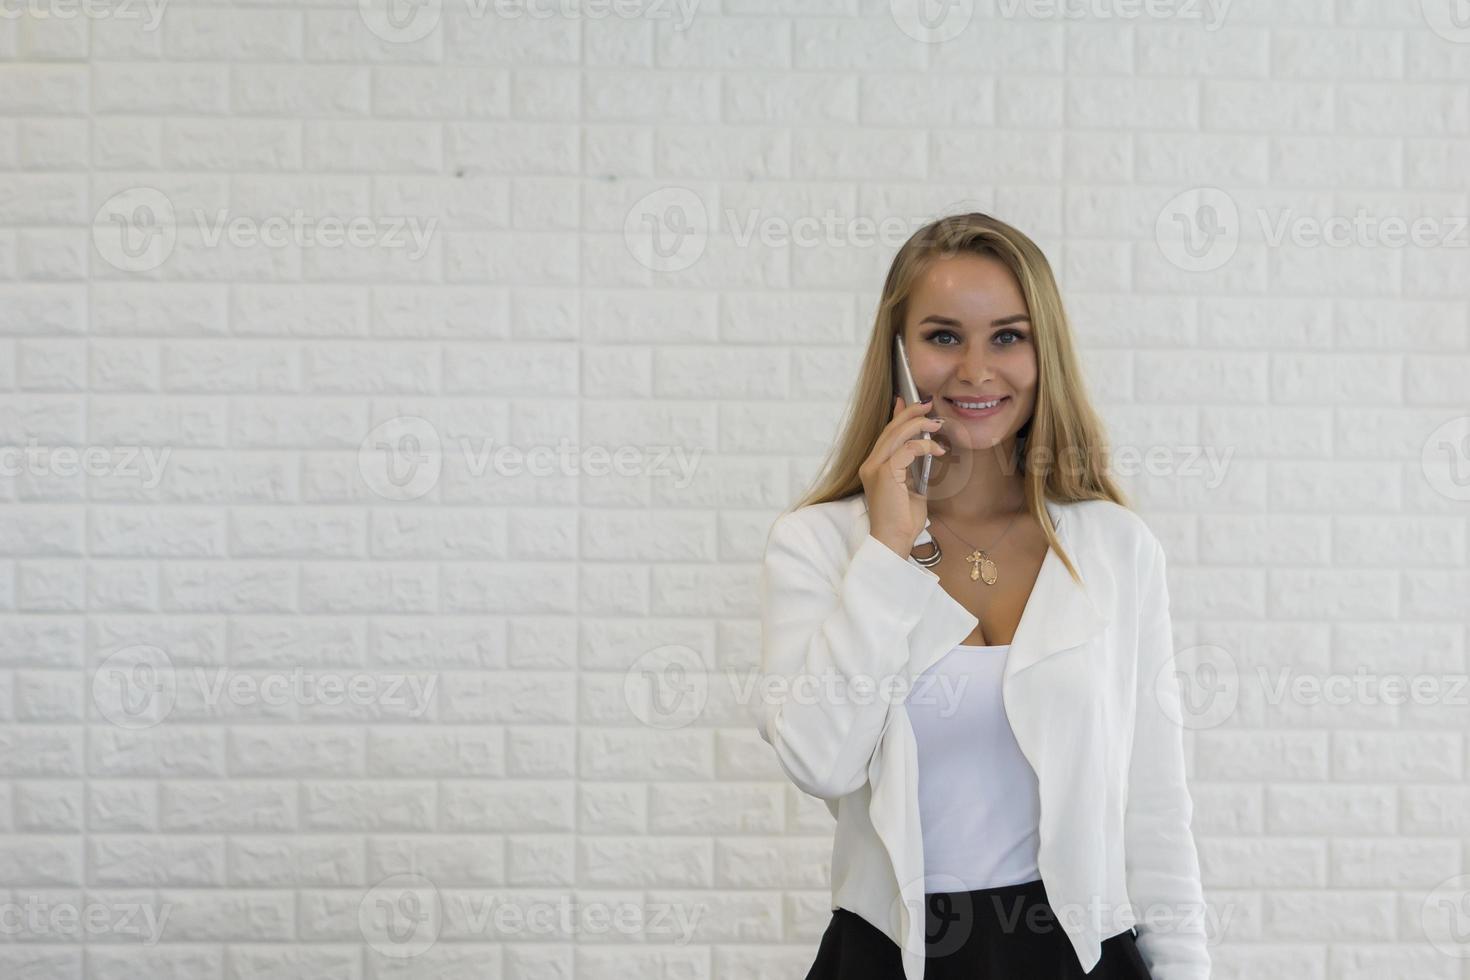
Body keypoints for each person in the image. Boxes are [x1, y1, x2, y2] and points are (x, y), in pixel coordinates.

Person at [756, 213, 1211, 979]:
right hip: (890, 954)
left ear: (1045, 352)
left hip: (1081, 955)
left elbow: (1157, 808)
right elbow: (820, 761)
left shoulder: (1114, 547)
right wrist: (887, 550)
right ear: (897, 354)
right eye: (942, 337)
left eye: (1007, 336)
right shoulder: (820, 545)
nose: (976, 370)